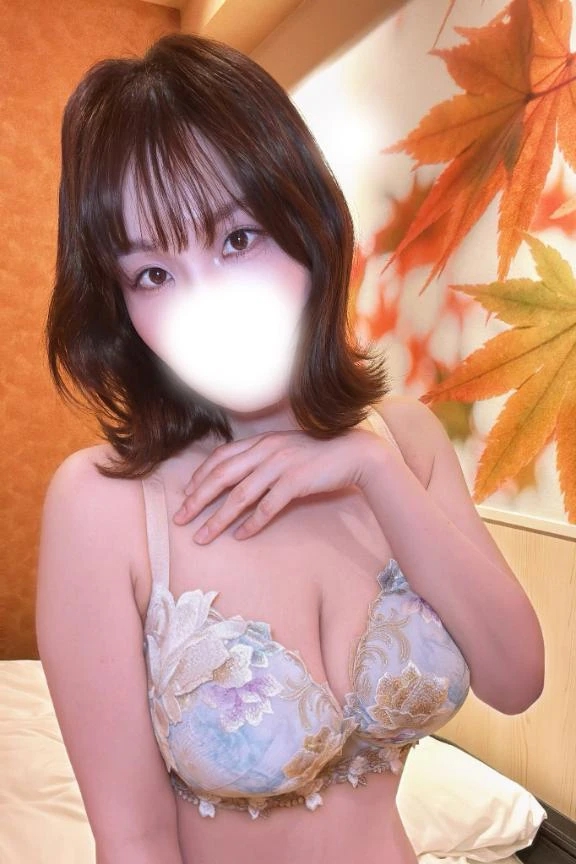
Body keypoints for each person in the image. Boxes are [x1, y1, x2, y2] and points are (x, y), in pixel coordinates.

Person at [35, 31, 545, 864]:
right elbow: (133, 840)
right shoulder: (103, 503)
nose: (206, 305)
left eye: (237, 239)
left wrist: (372, 469)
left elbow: (517, 679)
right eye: (153, 274)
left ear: (308, 224)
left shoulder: (403, 440)